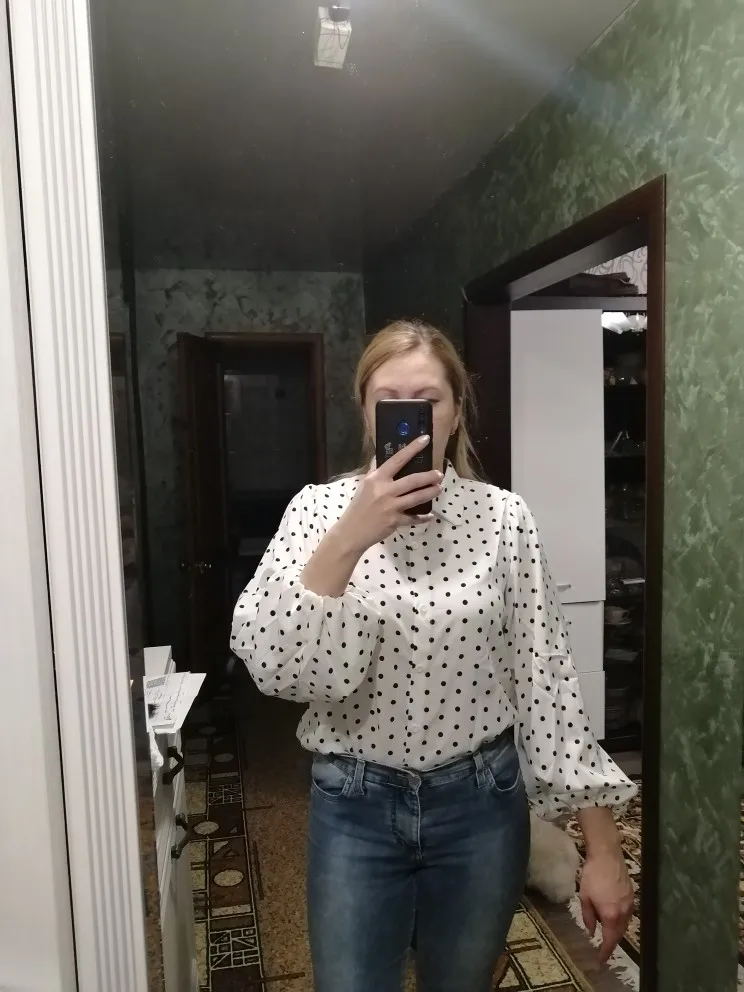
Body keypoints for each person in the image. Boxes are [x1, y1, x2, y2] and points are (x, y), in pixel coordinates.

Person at [231, 320, 636, 992]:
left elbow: (547, 680)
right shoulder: (316, 513)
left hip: (481, 808)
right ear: (366, 411)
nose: (411, 420)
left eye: (428, 401)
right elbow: (276, 666)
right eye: (390, 401)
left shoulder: (503, 519)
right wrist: (350, 538)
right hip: (354, 806)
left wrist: (603, 849)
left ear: (455, 411)